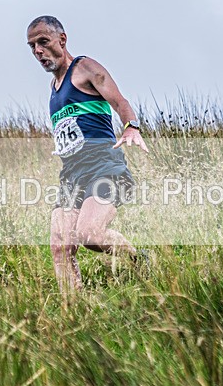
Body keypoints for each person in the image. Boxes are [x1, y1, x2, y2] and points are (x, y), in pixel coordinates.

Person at [26, 15, 148, 292]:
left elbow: (120, 101)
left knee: (90, 235)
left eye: (43, 42)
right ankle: (75, 314)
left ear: (62, 39)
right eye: (32, 46)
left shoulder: (84, 68)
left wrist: (131, 127)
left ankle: (138, 260)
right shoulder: (53, 88)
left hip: (104, 166)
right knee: (60, 247)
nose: (38, 51)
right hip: (71, 175)